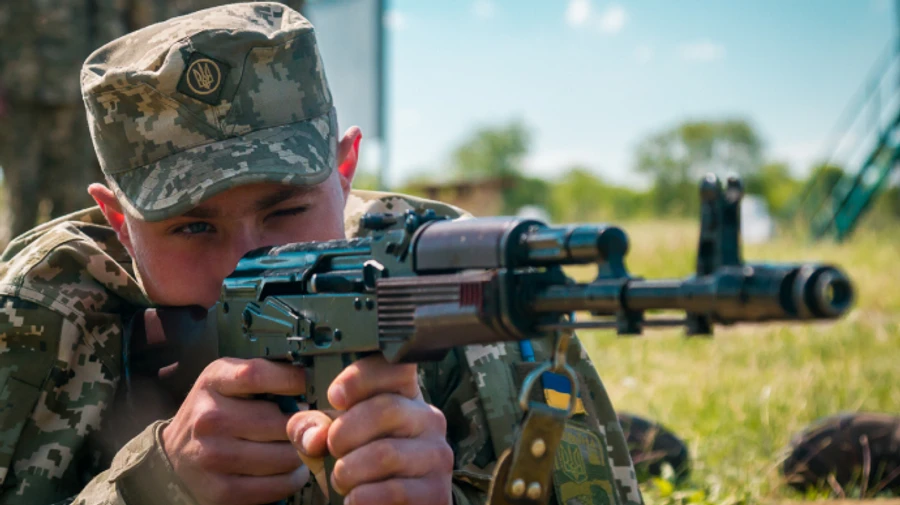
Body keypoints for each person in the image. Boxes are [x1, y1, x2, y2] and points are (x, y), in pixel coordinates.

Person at [0, 4, 643, 505]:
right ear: (118, 221)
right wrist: (153, 483)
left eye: (285, 211)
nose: (243, 262)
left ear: (345, 169)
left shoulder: (457, 281)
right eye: (193, 228)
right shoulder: (39, 314)